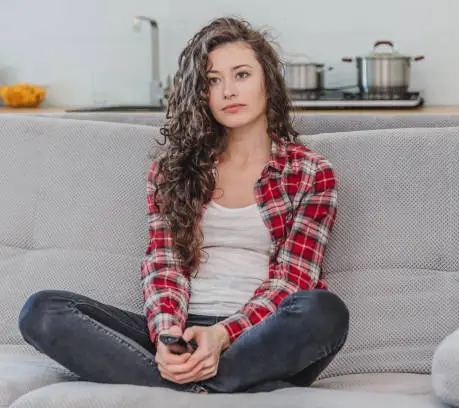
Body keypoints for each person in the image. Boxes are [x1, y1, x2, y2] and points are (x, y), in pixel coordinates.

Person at [17, 16, 349, 394]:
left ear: (268, 83)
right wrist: (166, 334)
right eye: (212, 80)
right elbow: (165, 262)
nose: (228, 91)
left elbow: (293, 278)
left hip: (261, 335)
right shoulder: (171, 171)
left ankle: (183, 388)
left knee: (325, 312)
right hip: (184, 326)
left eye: (241, 75)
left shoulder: (310, 172)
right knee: (43, 312)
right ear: (200, 93)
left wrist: (222, 335)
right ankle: (203, 385)